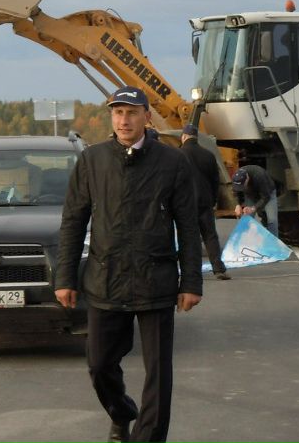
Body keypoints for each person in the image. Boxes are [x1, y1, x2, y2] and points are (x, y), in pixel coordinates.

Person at [55, 86, 202, 443]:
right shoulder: (93, 160)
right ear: (111, 117)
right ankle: (121, 411)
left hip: (157, 280)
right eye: (117, 113)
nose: (124, 119)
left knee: (158, 373)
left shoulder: (172, 162)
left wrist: (191, 283)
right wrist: (65, 277)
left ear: (146, 117)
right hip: (106, 279)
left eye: (132, 112)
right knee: (100, 364)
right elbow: (74, 220)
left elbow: (187, 224)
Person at [179, 124, 230, 280]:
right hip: (205, 201)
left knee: (189, 237)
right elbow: (216, 181)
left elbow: (174, 180)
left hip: (186, 203)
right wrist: (213, 200)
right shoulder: (208, 155)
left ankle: (191, 272)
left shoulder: (178, 154)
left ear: (184, 136)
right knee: (210, 235)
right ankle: (218, 268)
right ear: (196, 137)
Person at [232, 158, 279, 239]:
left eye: (243, 186)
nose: (241, 188)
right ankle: (245, 241)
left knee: (272, 220)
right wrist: (238, 205)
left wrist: (254, 208)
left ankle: (274, 242)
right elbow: (237, 192)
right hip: (251, 194)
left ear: (247, 178)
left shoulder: (259, 175)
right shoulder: (237, 176)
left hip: (267, 193)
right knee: (247, 217)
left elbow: (265, 197)